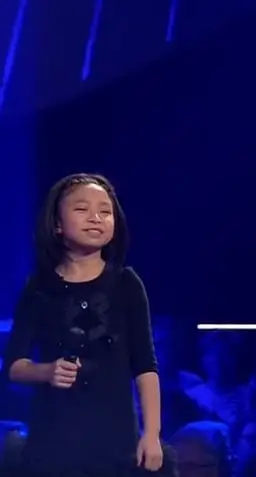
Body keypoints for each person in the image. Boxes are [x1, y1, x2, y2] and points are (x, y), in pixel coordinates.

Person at [2, 173, 171, 477]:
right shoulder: (39, 287)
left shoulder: (126, 284)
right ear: (57, 224)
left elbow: (145, 365)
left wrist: (151, 433)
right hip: (52, 443)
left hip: (116, 443)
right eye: (82, 209)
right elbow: (14, 366)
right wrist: (46, 371)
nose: (96, 218)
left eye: (105, 211)